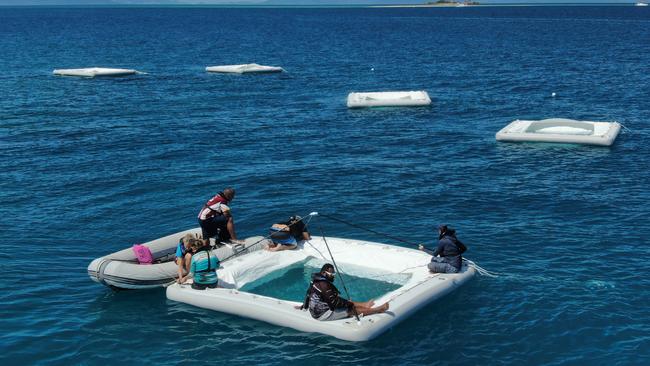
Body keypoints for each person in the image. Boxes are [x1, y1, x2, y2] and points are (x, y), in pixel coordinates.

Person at [299, 264, 389, 321]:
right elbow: (334, 304)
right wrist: (349, 305)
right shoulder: (324, 285)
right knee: (350, 309)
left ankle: (364, 305)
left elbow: (308, 294)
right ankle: (377, 310)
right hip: (322, 314)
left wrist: (304, 306)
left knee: (344, 301)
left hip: (318, 309)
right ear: (324, 273)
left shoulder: (315, 280)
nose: (334, 276)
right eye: (332, 274)